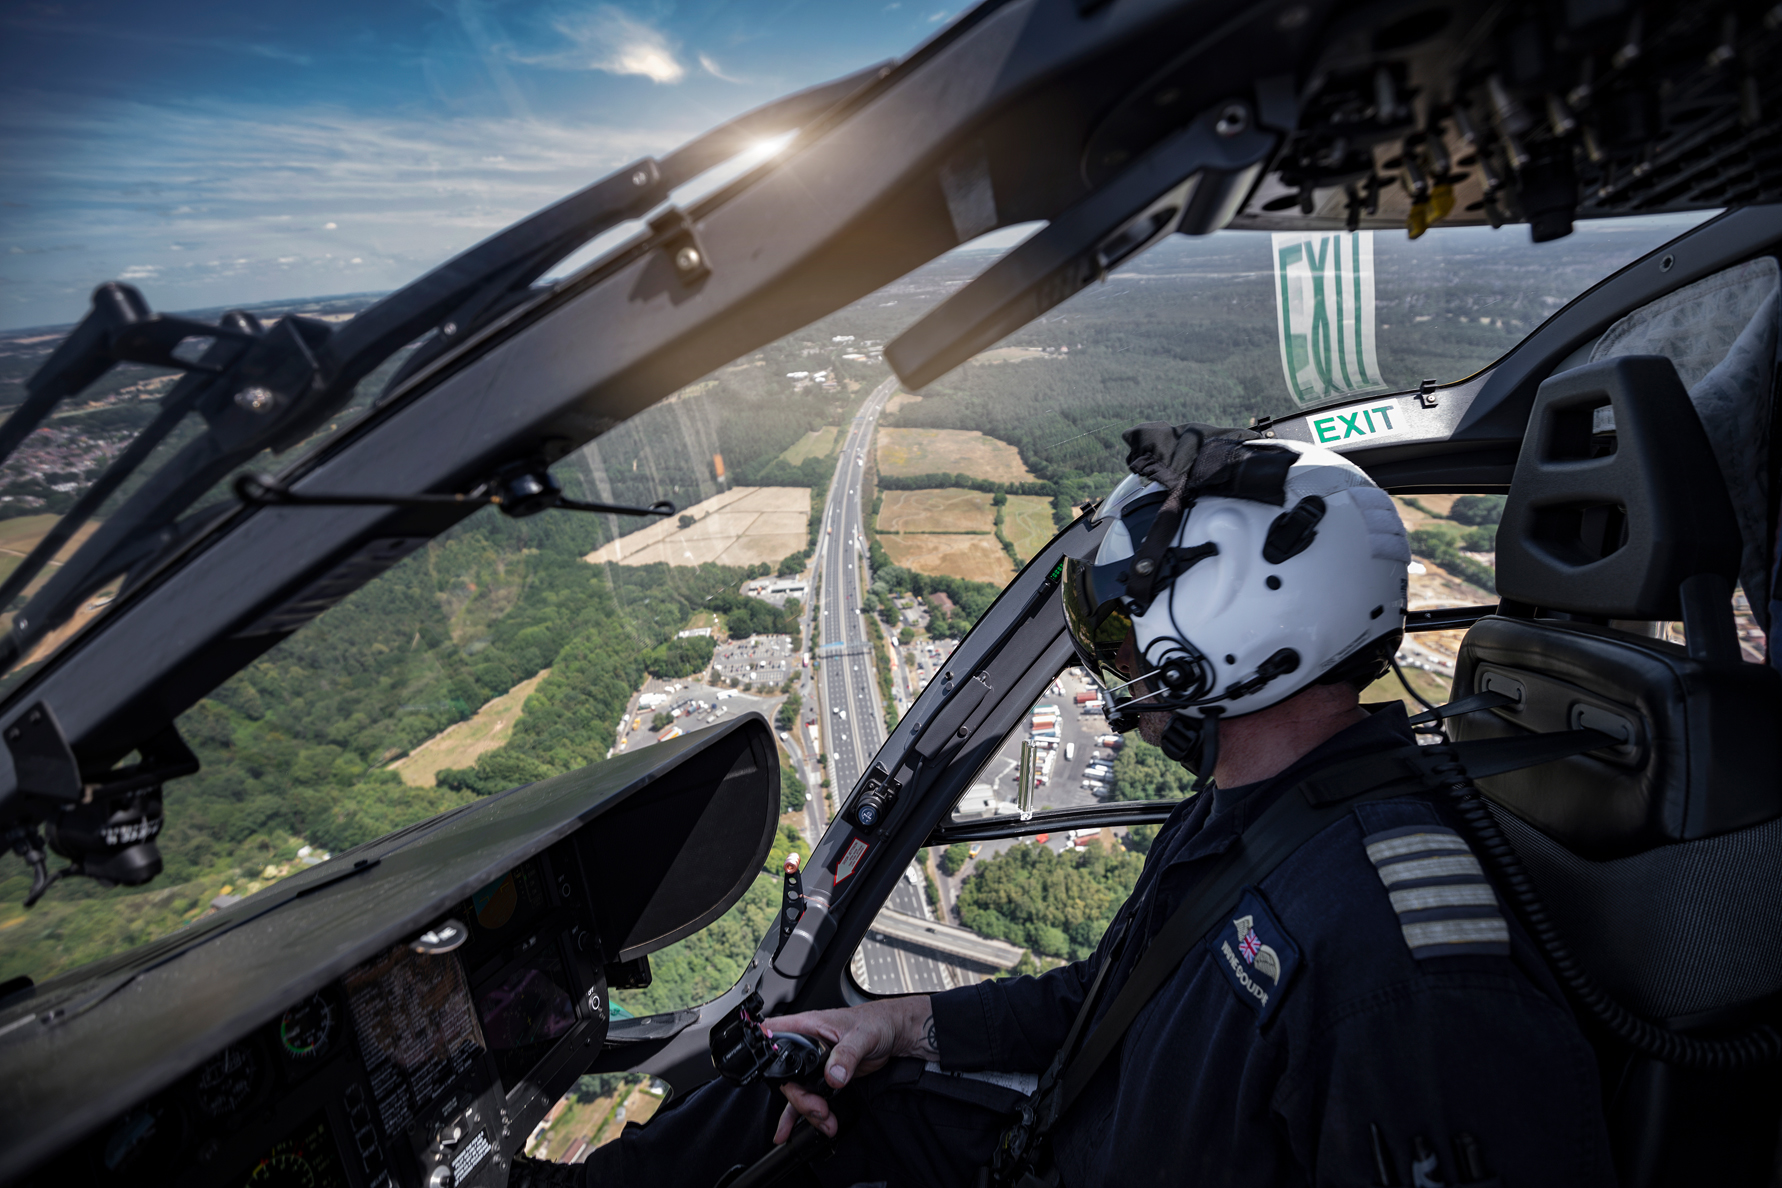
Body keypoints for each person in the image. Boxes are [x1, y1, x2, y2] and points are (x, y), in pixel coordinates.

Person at [535, 425, 1613, 1188]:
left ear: (1235, 632)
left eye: (1124, 630)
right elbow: (1099, 1004)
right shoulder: (1253, 809)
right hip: (1062, 1144)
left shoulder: (1402, 955)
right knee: (789, 1076)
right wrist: (891, 1025)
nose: (1111, 666)